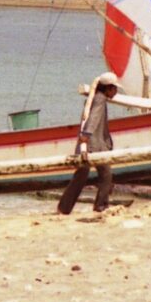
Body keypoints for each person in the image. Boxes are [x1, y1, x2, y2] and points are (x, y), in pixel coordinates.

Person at [57, 73, 117, 214]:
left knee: (80, 176)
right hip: (94, 145)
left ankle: (64, 207)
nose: (116, 92)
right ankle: (101, 205)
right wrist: (87, 134)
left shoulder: (95, 98)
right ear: (108, 88)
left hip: (91, 143)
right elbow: (94, 117)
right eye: (114, 88)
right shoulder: (100, 99)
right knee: (106, 174)